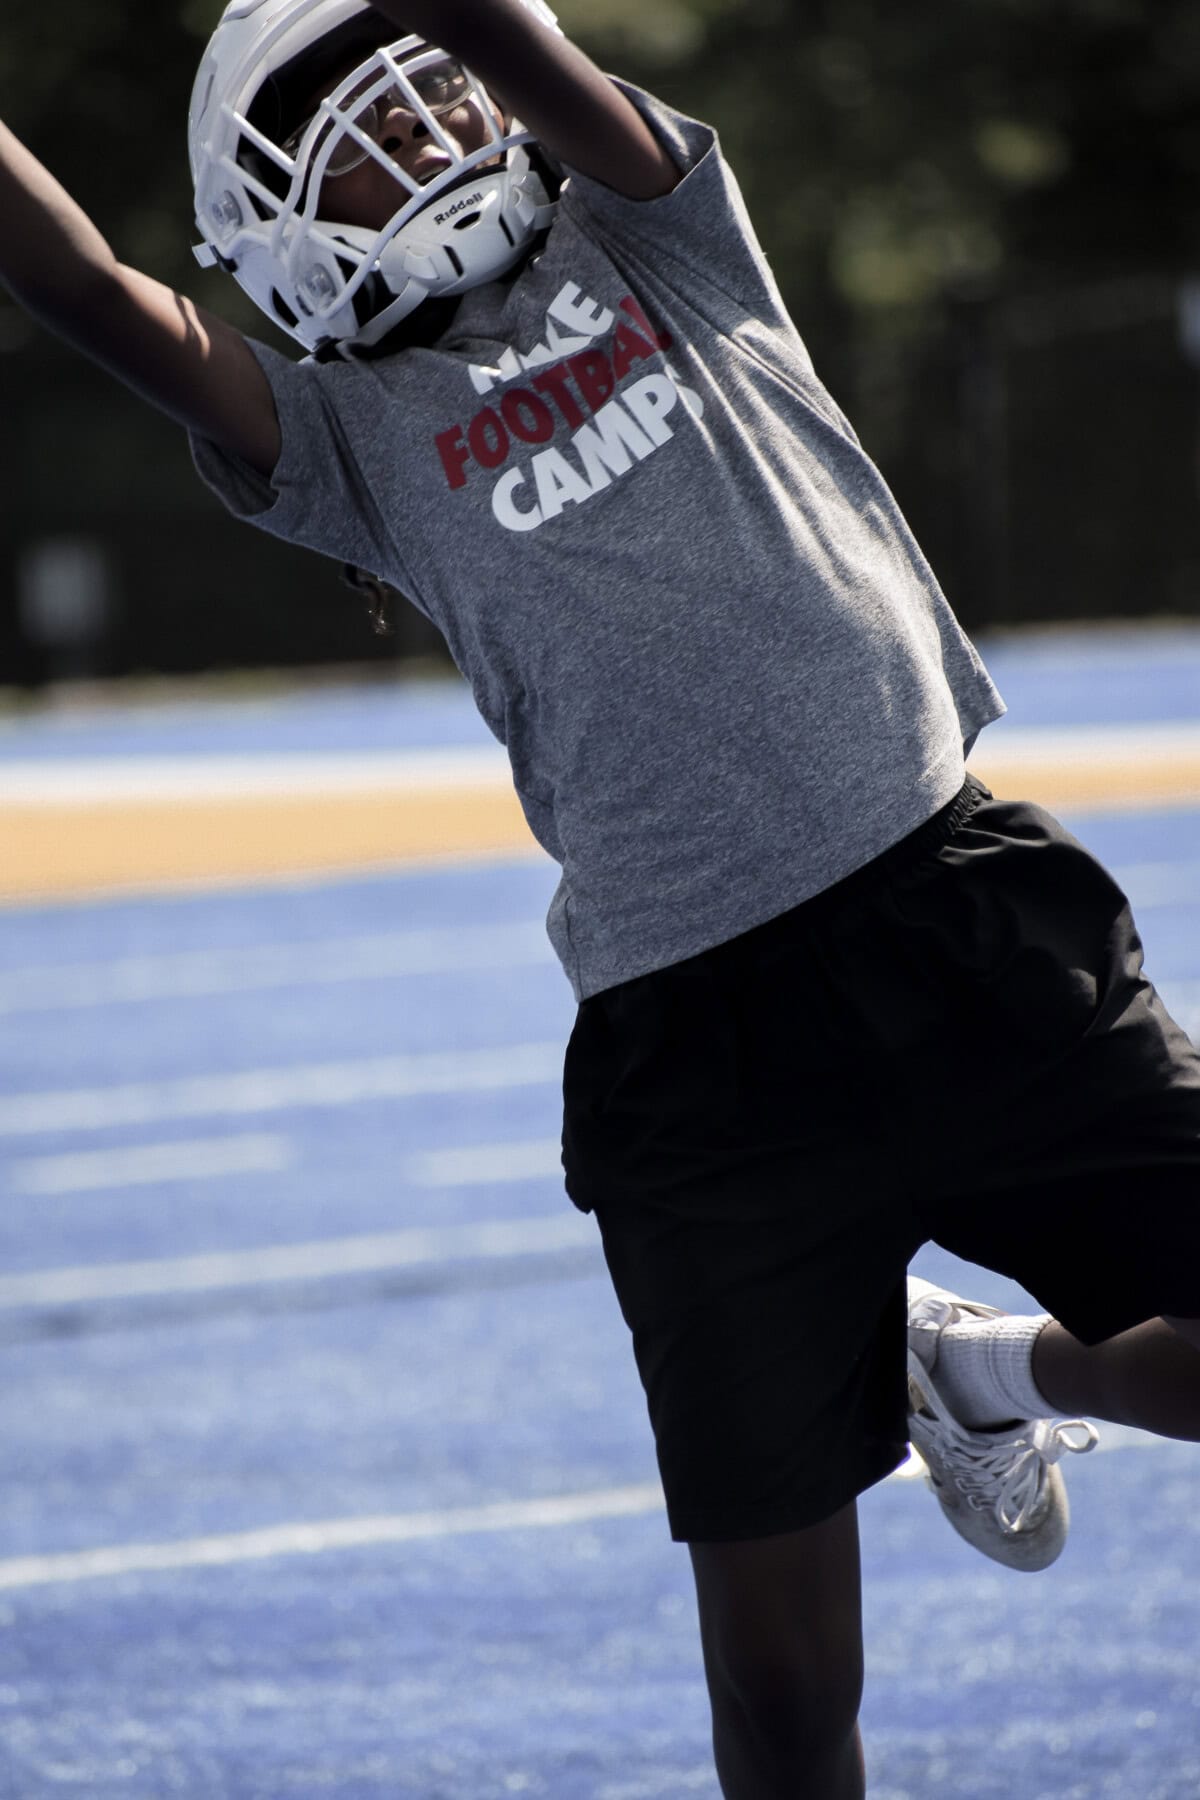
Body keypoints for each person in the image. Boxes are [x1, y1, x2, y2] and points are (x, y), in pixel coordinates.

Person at [5, 2, 1200, 1792]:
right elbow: (96, 295)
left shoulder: (656, 231)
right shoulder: (342, 434)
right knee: (787, 1705)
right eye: (366, 131)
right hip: (700, 1058)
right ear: (279, 220)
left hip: (963, 923)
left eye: (424, 98)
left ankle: (1000, 1376)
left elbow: (515, 36)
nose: (422, 135)